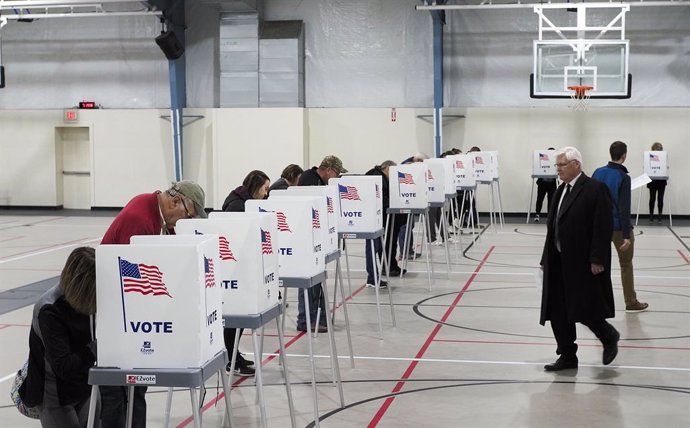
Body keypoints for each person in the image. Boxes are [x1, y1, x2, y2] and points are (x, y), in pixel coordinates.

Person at [100, 180, 207, 428]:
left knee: (137, 389)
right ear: (174, 202)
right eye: (188, 215)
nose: (185, 222)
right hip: (117, 313)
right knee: (119, 391)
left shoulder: (154, 209)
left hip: (128, 314)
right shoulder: (141, 219)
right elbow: (131, 278)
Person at [539, 146, 620, 371]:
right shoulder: (560, 190)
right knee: (557, 310)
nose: (558, 170)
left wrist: (597, 259)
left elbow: (602, 227)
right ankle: (567, 355)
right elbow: (553, 228)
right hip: (558, 261)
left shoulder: (595, 189)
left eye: (562, 165)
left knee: (583, 308)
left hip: (582, 262)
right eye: (556, 166)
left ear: (577, 165)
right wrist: (546, 258)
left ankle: (608, 335)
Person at [20, 247, 98, 428]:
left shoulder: (89, 298)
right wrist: (95, 349)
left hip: (85, 386)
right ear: (82, 285)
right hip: (54, 395)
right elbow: (63, 366)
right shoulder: (49, 310)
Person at [221, 170, 271, 376]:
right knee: (234, 319)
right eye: (265, 188)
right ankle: (229, 359)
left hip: (240, 268)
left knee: (238, 319)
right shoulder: (237, 206)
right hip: (234, 269)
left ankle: (233, 355)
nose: (267, 193)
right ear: (255, 186)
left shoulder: (242, 201)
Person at [593, 141, 649, 313]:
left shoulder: (597, 172)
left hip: (599, 227)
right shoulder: (624, 178)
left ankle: (596, 302)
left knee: (598, 265)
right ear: (624, 156)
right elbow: (624, 208)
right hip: (618, 228)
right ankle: (630, 301)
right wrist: (626, 234)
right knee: (625, 265)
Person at [296, 155, 347, 333]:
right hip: (308, 239)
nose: (337, 176)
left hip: (314, 238)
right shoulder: (311, 181)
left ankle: (318, 318)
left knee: (316, 282)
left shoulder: (315, 179)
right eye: (337, 172)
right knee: (309, 283)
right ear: (328, 169)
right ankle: (306, 319)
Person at [364, 161, 406, 288]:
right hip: (374, 218)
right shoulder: (378, 177)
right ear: (387, 168)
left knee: (379, 246)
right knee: (374, 247)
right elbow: (381, 199)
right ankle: (373, 278)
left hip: (376, 217)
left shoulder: (377, 176)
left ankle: (377, 274)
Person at [534, 147, 557, 223]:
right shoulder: (543, 159)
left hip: (552, 184)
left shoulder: (556, 162)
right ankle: (537, 214)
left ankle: (549, 216)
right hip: (542, 183)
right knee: (540, 199)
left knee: (551, 200)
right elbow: (538, 169)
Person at [647, 142, 668, 223]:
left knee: (660, 199)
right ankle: (651, 215)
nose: (657, 152)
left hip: (661, 181)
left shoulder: (663, 158)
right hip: (652, 180)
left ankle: (660, 215)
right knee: (652, 199)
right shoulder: (649, 157)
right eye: (656, 150)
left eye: (659, 150)